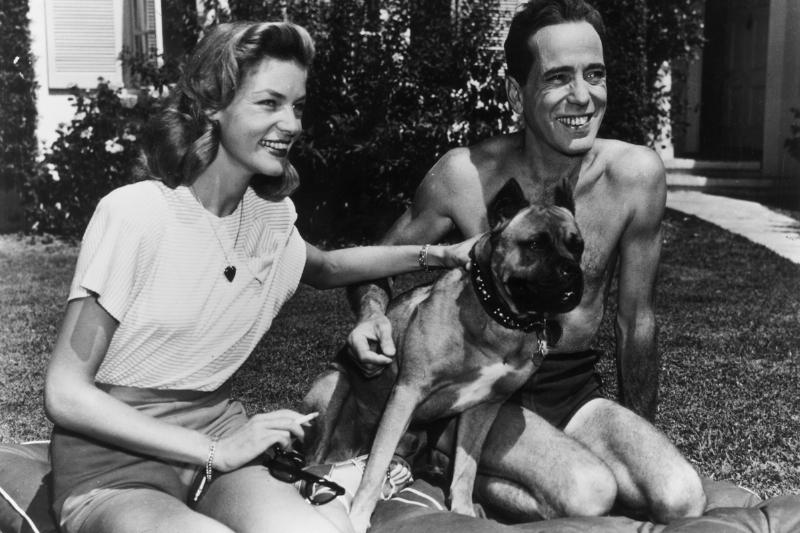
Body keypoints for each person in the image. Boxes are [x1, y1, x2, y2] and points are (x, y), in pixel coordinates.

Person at [43, 21, 473, 533]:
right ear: (212, 105)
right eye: (269, 103)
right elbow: (65, 394)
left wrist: (440, 254)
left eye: (297, 106)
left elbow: (328, 267)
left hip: (218, 441)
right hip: (114, 466)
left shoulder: (269, 218)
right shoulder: (136, 213)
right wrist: (217, 451)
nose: (290, 123)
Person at [344, 0, 706, 525]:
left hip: (571, 385)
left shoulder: (635, 175)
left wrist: (637, 431)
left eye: (595, 74)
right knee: (587, 495)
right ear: (517, 93)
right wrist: (370, 316)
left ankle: (501, 465)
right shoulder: (465, 175)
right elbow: (376, 263)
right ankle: (440, 453)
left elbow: (637, 322)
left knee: (680, 496)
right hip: (474, 390)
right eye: (558, 78)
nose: (582, 96)